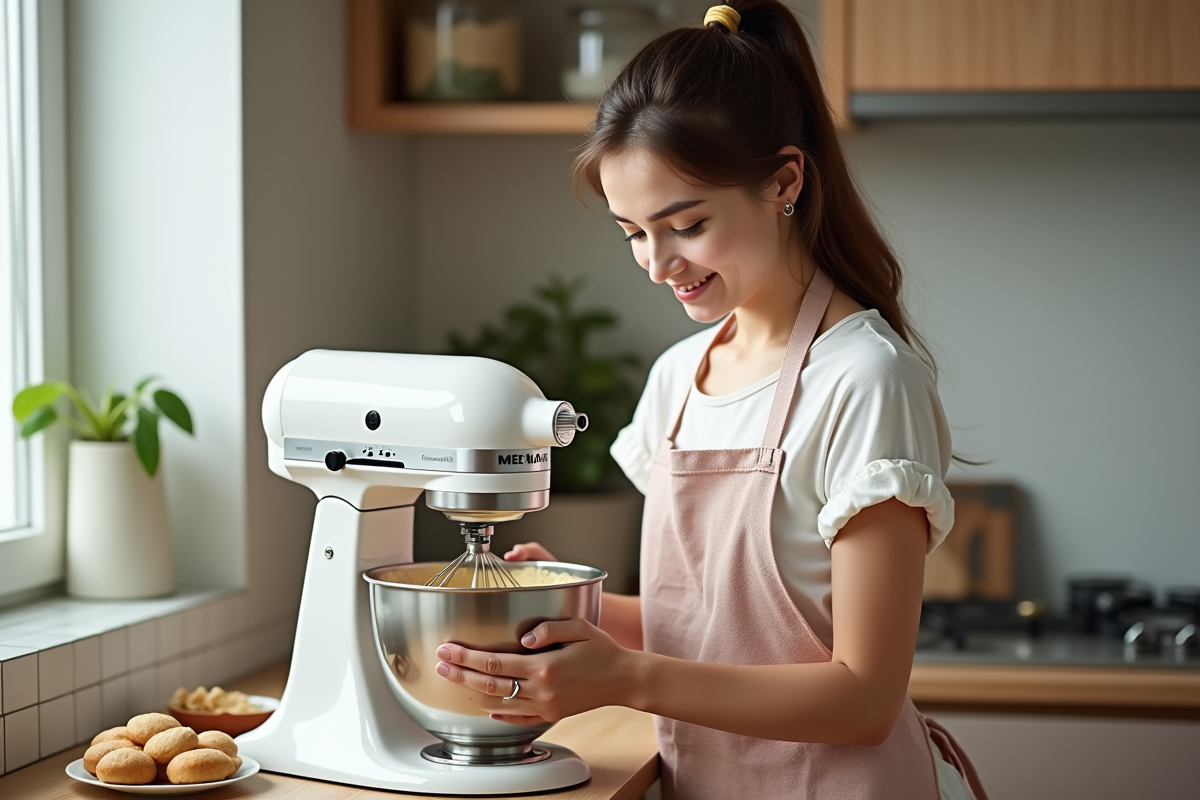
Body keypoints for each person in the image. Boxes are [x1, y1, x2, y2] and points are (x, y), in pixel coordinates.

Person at [433, 2, 988, 798]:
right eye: (632, 232)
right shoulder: (678, 378)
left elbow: (864, 696)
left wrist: (628, 678)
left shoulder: (866, 380)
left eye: (685, 224)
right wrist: (576, 607)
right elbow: (706, 629)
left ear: (784, 181)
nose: (658, 264)